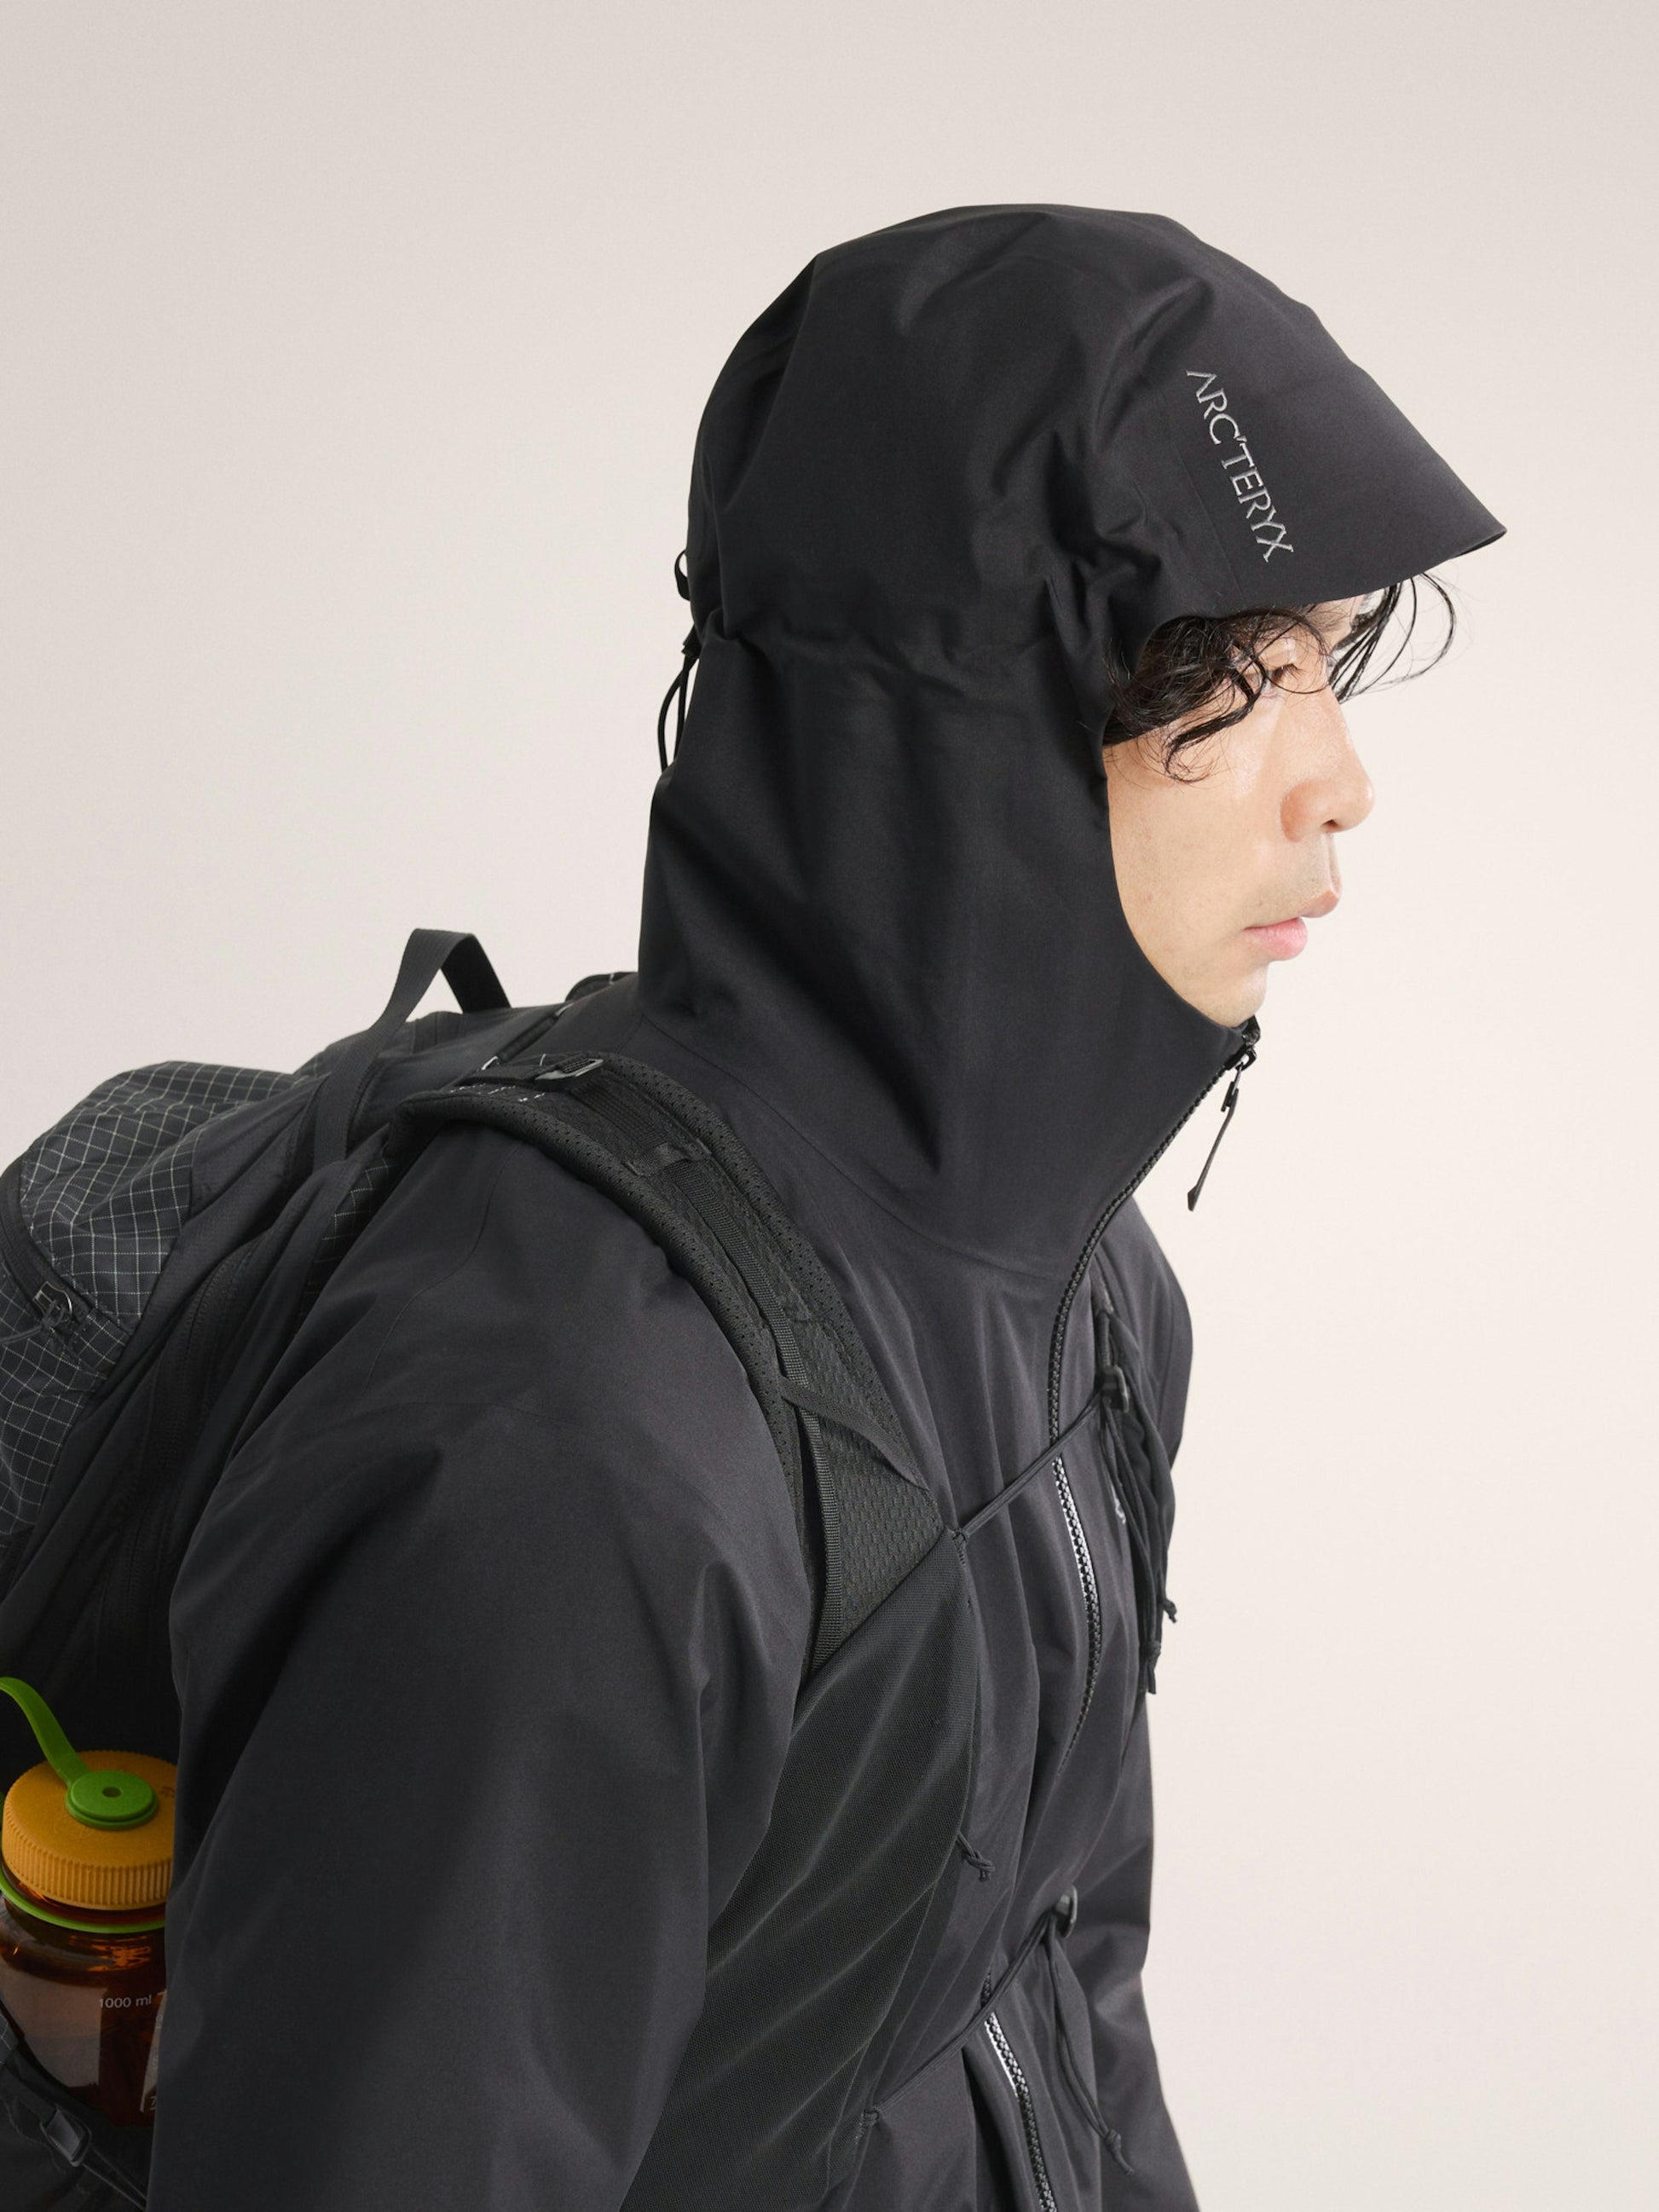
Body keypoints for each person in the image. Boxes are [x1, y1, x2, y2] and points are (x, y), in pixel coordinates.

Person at [147, 205, 1501, 2210]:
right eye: (1225, 676)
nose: (1336, 779)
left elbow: (1058, 2005)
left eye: (1326, 660)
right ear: (950, 733)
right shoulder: (575, 1442)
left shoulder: (1090, 1294)